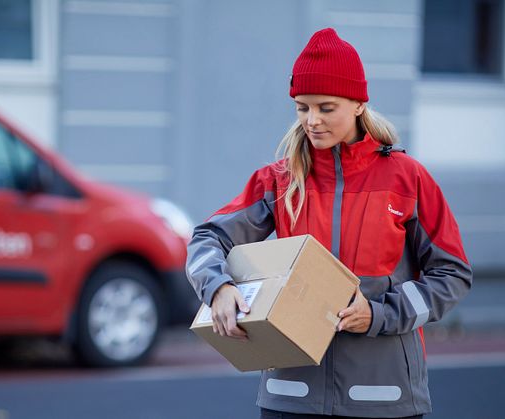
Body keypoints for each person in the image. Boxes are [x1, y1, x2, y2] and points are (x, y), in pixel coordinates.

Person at [185, 28, 472, 419]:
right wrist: (218, 288)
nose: (312, 120)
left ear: (357, 104)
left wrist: (378, 314)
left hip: (385, 398)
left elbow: (452, 274)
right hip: (291, 396)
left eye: (326, 107)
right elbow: (208, 238)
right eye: (302, 108)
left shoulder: (408, 179)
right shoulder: (278, 181)